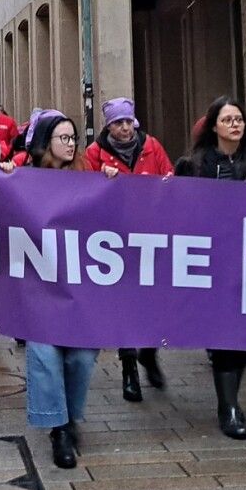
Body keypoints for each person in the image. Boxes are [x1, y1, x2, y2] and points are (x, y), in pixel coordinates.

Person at [2, 112, 102, 469]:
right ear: (46, 142)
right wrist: (3, 179)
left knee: (82, 357)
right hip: (38, 288)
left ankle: (70, 416)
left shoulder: (87, 178)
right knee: (45, 356)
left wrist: (112, 184)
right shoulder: (23, 176)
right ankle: (58, 429)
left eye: (73, 137)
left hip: (78, 289)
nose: (71, 143)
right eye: (63, 138)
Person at [179, 95, 246, 440]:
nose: (235, 125)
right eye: (227, 120)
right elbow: (177, 210)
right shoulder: (195, 165)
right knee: (224, 333)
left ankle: (231, 399)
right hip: (211, 263)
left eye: (239, 119)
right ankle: (229, 407)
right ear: (213, 127)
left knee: (242, 335)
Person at [83, 97, 171, 400]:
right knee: (124, 305)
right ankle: (129, 368)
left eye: (128, 121)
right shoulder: (95, 154)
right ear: (109, 126)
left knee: (153, 302)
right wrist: (103, 182)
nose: (125, 128)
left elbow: (169, 178)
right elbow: (86, 194)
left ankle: (149, 353)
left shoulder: (152, 146)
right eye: (118, 123)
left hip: (150, 237)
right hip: (115, 242)